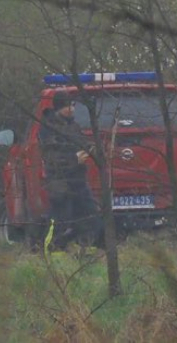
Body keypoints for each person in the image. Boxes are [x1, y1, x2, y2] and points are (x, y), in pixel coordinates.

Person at [39, 92, 100, 250]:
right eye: (68, 106)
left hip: (78, 181)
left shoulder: (73, 126)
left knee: (91, 217)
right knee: (61, 220)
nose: (72, 109)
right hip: (60, 183)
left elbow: (82, 143)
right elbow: (51, 158)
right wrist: (74, 159)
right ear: (59, 108)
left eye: (73, 105)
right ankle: (52, 250)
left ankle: (86, 249)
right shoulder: (48, 129)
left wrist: (91, 149)